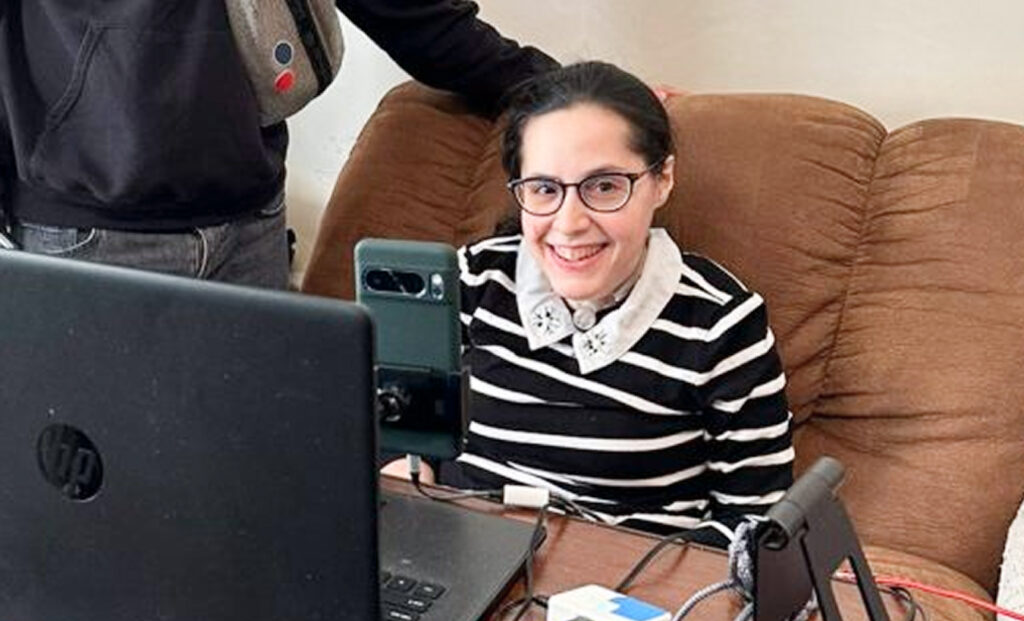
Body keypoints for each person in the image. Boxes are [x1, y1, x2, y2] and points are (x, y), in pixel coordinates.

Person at [439, 61, 794, 548]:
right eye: (543, 189)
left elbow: (756, 524)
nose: (569, 224)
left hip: (630, 584)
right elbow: (392, 438)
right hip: (463, 557)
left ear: (662, 178)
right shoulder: (475, 276)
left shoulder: (723, 326)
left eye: (604, 186)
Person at [0, 1, 555, 289]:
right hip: (88, 233)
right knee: (105, 461)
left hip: (252, 221)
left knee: (256, 451)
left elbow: (410, 14)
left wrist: (566, 93)